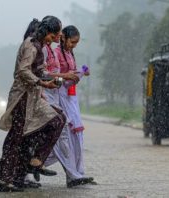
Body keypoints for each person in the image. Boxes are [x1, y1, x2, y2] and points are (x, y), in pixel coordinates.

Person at [0, 16, 66, 192]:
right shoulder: (31, 45)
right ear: (46, 32)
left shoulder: (40, 46)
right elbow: (23, 70)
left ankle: (34, 162)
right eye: (53, 35)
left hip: (33, 97)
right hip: (22, 98)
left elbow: (39, 70)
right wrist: (42, 83)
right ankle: (4, 180)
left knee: (56, 120)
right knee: (16, 137)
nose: (54, 39)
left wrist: (53, 79)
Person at [54, 25, 96, 187]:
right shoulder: (56, 53)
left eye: (76, 43)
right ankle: (72, 174)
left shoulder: (70, 53)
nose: (73, 45)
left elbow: (71, 74)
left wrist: (80, 73)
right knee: (65, 137)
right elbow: (54, 75)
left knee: (77, 137)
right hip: (60, 97)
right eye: (72, 42)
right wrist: (68, 76)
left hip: (72, 97)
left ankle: (78, 172)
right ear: (63, 37)